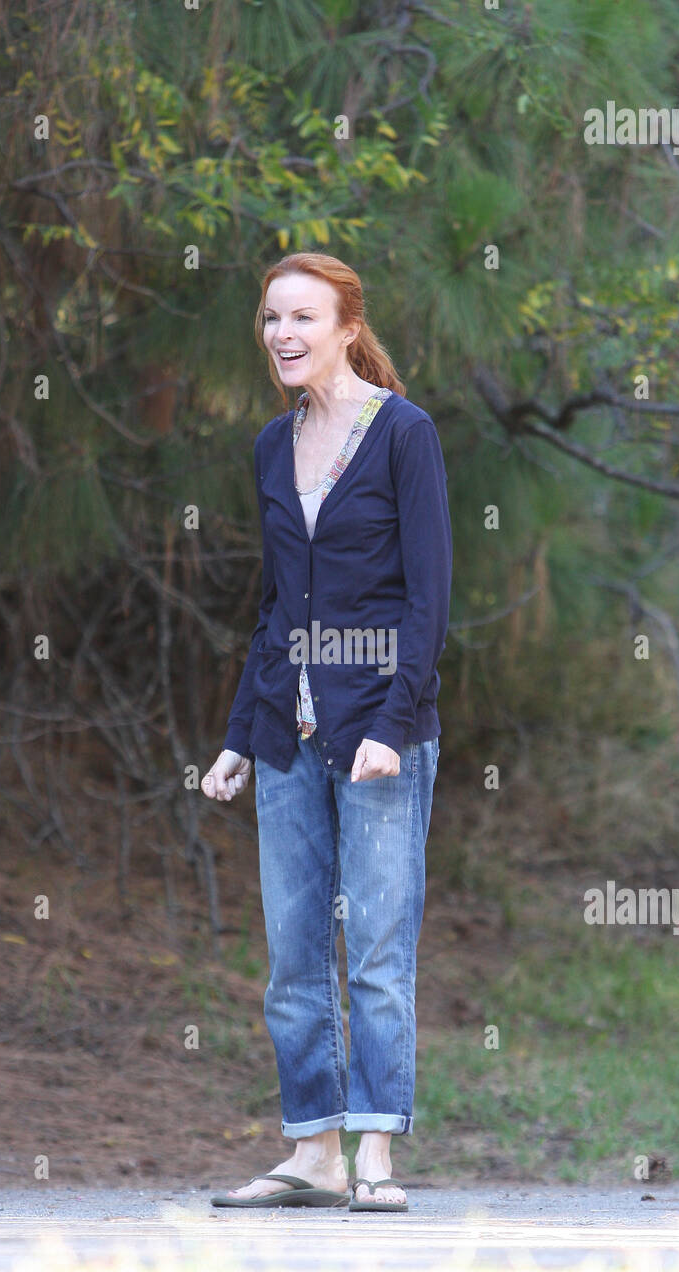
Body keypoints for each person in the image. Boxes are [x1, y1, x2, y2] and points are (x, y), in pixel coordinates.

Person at [202, 252, 452, 1212]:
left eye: (303, 317)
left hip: (379, 730)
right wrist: (239, 732)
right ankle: (311, 1151)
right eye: (271, 319)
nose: (283, 336)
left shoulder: (405, 436)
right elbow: (275, 605)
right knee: (294, 954)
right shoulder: (272, 445)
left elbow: (428, 599)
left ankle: (376, 1152)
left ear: (349, 326)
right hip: (286, 733)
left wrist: (395, 720)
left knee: (380, 951)